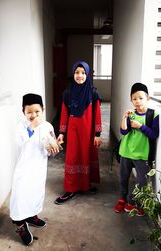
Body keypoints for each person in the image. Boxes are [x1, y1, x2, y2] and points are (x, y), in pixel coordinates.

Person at [10, 93, 60, 246]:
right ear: (23, 112)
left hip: (39, 169)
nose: (33, 115)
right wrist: (32, 127)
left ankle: (31, 216)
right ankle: (19, 223)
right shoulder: (22, 126)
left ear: (43, 110)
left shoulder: (48, 126)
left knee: (35, 192)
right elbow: (19, 142)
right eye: (29, 112)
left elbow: (49, 145)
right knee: (20, 195)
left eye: (37, 112)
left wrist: (54, 148)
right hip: (25, 169)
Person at [54, 60, 102, 205]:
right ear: (73, 74)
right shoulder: (68, 93)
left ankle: (84, 184)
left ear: (87, 75)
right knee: (72, 157)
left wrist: (97, 134)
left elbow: (97, 113)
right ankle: (70, 189)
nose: (80, 75)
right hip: (73, 130)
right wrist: (62, 132)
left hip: (88, 131)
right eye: (77, 72)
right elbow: (64, 113)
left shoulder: (93, 93)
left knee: (86, 155)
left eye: (83, 73)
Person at [114, 82, 159, 216]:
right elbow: (123, 132)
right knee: (123, 177)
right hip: (126, 151)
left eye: (141, 98)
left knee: (142, 181)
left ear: (147, 98)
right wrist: (124, 117)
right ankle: (122, 198)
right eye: (134, 99)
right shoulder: (131, 113)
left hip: (142, 154)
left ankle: (136, 202)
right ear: (131, 99)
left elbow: (154, 134)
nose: (137, 101)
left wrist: (140, 126)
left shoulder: (153, 115)